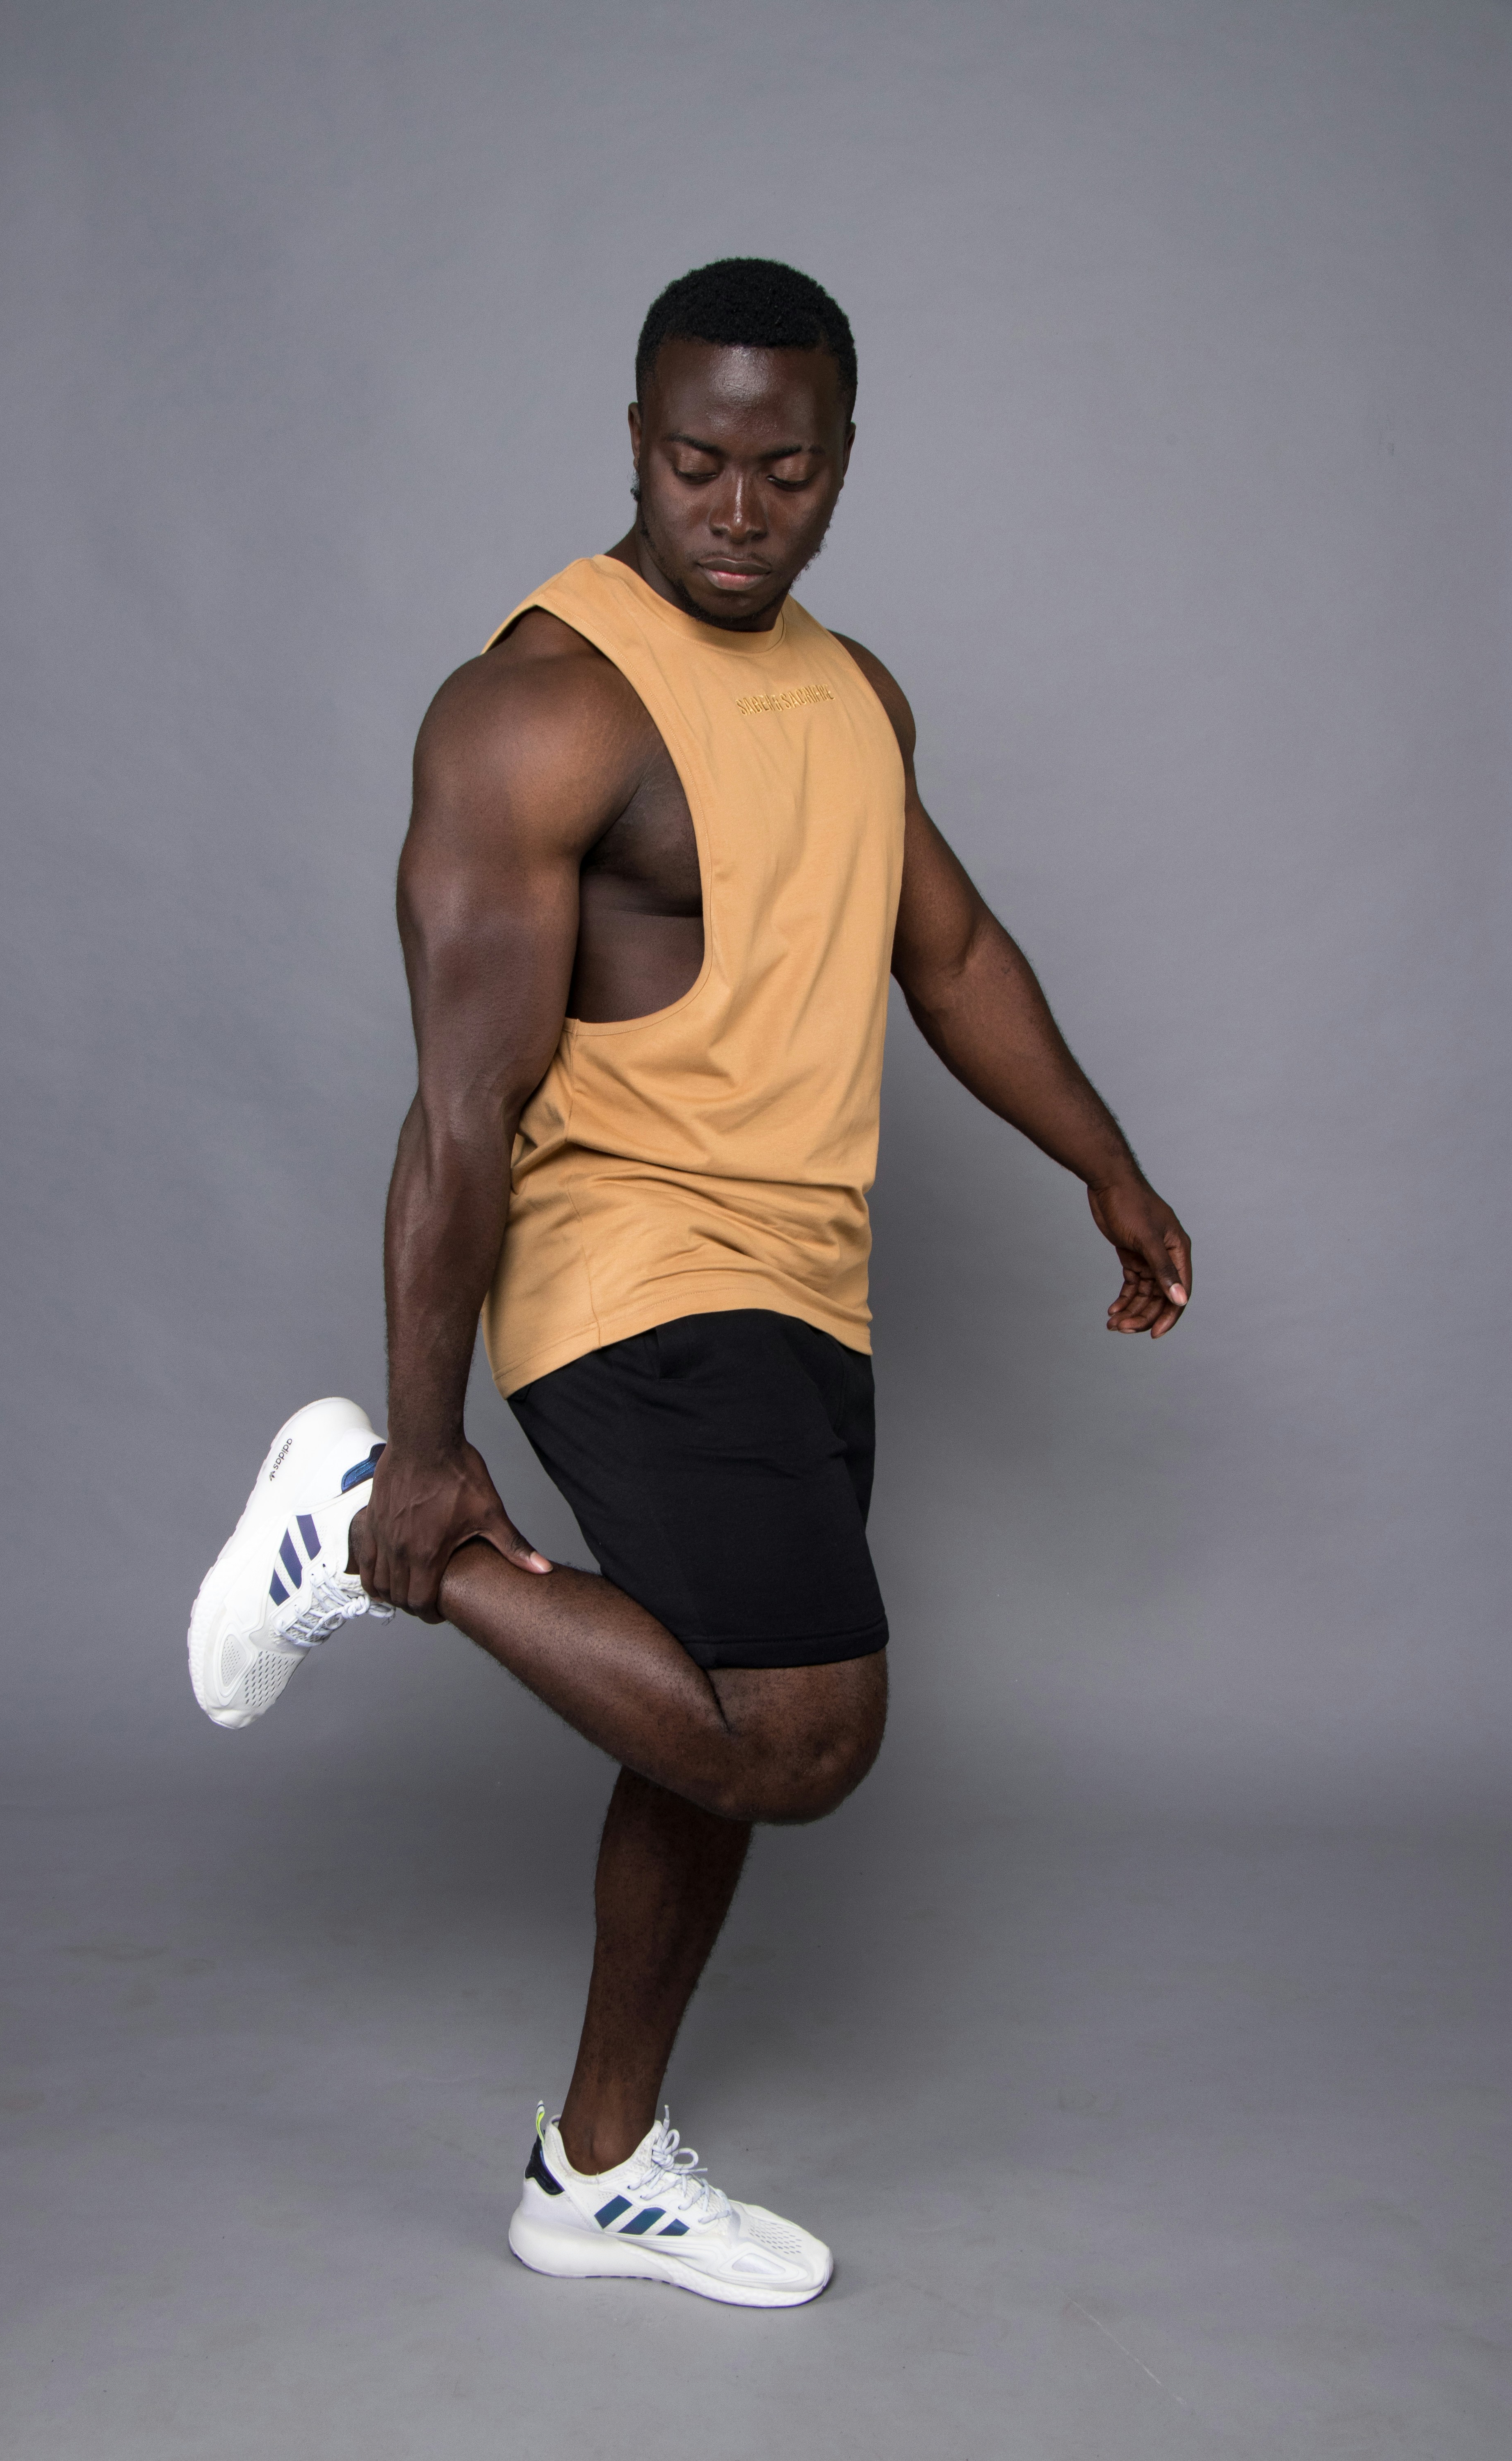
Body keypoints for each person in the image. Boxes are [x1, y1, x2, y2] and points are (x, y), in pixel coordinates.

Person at [188, 258, 1190, 2309]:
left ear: (840, 464)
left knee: (706, 1726)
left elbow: (958, 955)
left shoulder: (852, 694)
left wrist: (1105, 1163)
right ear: (634, 438)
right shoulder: (541, 709)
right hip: (628, 1262)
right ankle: (351, 1515)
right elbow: (460, 1105)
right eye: (692, 462)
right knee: (805, 1731)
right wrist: (433, 1461)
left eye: (784, 470)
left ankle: (598, 2162)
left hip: (805, 1273)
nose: (735, 510)